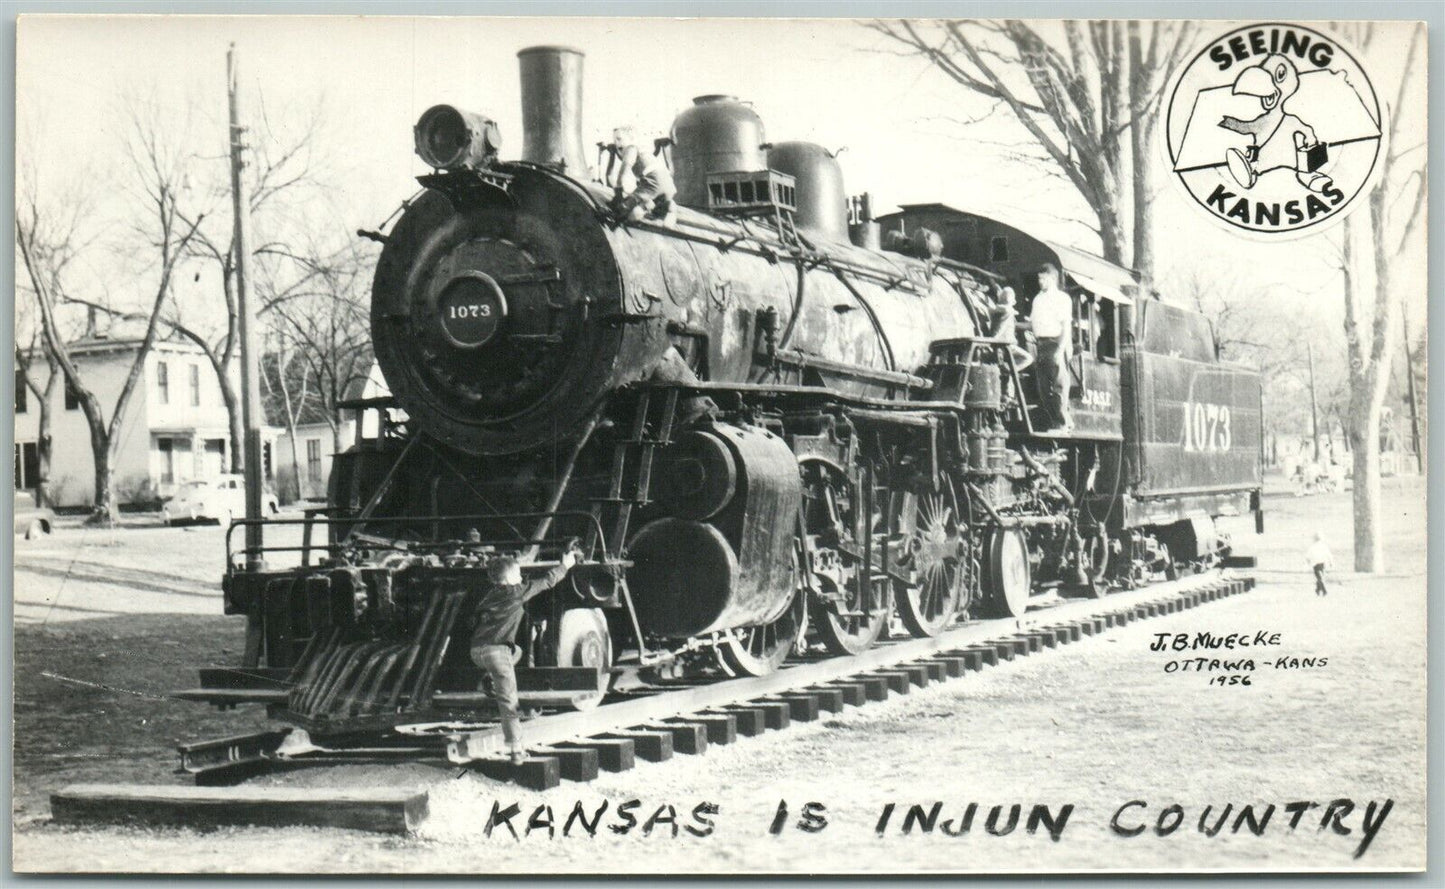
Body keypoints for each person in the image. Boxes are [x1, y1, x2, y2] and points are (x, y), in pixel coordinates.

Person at [469, 539, 583, 763]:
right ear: (510, 578)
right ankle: (516, 750)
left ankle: (487, 679)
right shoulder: (516, 592)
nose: (522, 577)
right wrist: (566, 565)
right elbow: (548, 582)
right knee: (508, 702)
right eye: (519, 574)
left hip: (477, 652)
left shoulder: (489, 594)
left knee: (517, 651)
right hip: (497, 653)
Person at [1027, 262, 1074, 431]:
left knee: (1059, 387)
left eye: (1043, 278)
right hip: (1040, 345)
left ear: (1053, 278)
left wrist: (1061, 349)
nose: (1040, 282)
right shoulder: (1037, 299)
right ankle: (1054, 422)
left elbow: (1066, 326)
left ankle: (1063, 424)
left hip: (1055, 344)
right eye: (1039, 278)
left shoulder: (1062, 299)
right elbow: (1031, 323)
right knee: (1043, 388)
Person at [608, 126, 677, 224]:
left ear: (631, 139)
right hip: (667, 183)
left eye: (619, 139)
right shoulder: (644, 151)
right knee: (654, 199)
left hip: (653, 181)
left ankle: (637, 212)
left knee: (627, 208)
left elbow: (626, 165)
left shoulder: (631, 148)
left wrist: (619, 186)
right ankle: (669, 207)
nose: (616, 143)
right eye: (614, 140)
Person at [989, 286, 1033, 372]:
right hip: (1006, 345)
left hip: (1001, 345)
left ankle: (1008, 369)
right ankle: (1008, 370)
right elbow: (1000, 328)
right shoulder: (1008, 312)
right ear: (1011, 300)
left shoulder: (997, 311)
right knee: (1028, 358)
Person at [1306, 531, 1334, 596]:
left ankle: (1323, 590)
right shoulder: (1324, 546)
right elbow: (1329, 555)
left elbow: (1308, 557)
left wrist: (1308, 562)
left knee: (1319, 578)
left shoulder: (1312, 547)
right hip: (1323, 564)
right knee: (1320, 577)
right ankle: (1318, 590)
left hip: (1315, 564)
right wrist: (1331, 562)